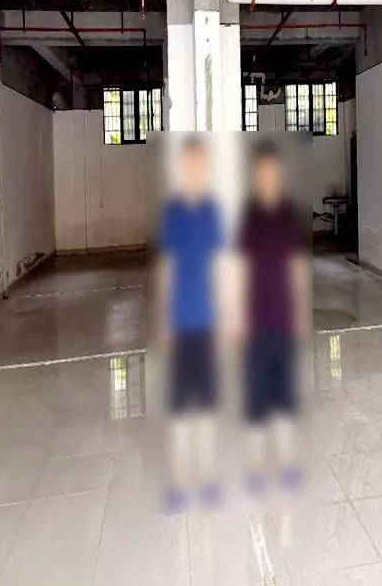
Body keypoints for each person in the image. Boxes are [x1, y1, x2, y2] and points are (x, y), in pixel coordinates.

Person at [237, 140, 310, 491]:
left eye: (272, 173)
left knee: (284, 399)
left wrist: (301, 311)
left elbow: (297, 267)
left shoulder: (289, 217)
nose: (267, 179)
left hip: (283, 320)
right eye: (261, 173)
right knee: (256, 400)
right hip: (254, 321)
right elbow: (239, 269)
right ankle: (254, 469)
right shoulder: (248, 218)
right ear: (255, 176)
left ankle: (286, 465)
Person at [157, 136, 224, 513]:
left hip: (209, 321)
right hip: (181, 322)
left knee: (207, 404)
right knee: (181, 406)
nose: (194, 170)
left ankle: (208, 479)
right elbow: (167, 267)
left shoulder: (213, 212)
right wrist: (166, 321)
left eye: (200, 164)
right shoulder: (173, 213)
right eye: (189, 164)